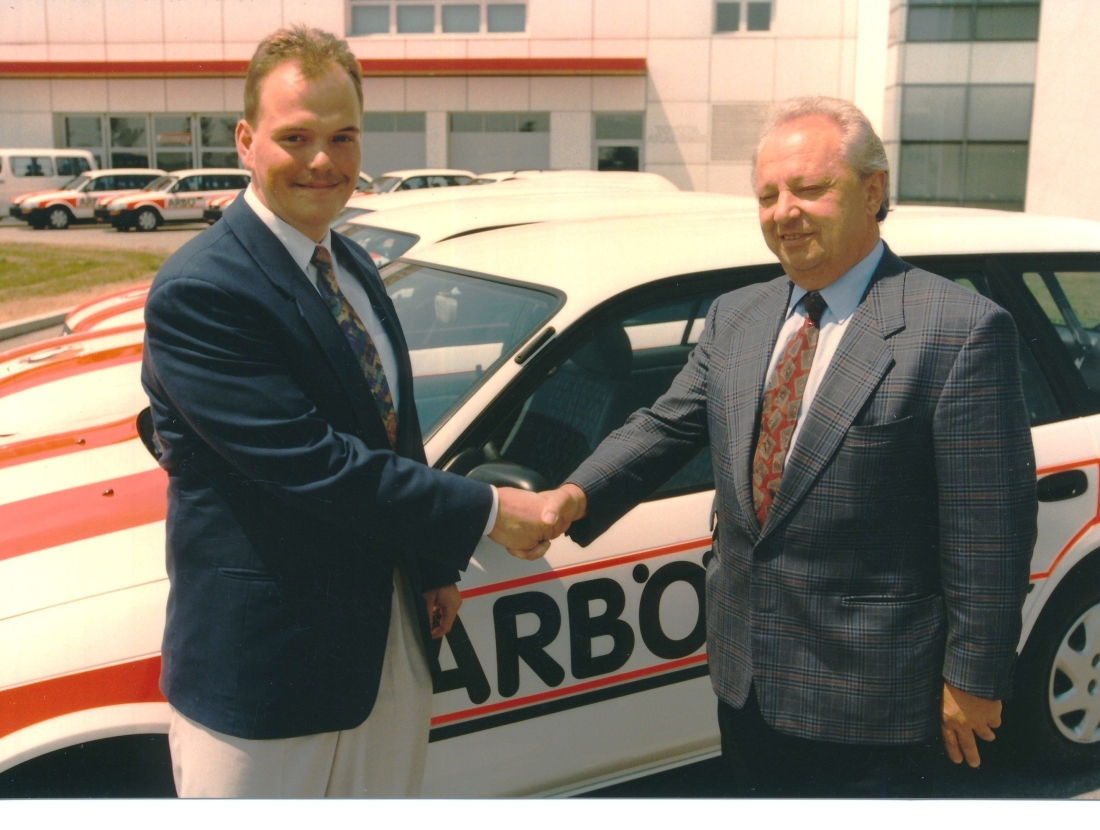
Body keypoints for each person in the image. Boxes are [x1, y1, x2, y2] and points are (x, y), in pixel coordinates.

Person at [541, 96, 1037, 797]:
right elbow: (667, 424)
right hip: (748, 682)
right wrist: (571, 496)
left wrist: (975, 678)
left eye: (809, 188)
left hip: (879, 703)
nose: (784, 211)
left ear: (873, 191)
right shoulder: (737, 316)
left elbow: (989, 532)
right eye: (768, 194)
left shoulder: (958, 330)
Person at [141, 25, 552, 798]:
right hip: (269, 672)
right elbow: (312, 463)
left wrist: (431, 565)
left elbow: (391, 430)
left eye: (343, 136)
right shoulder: (202, 290)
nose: (323, 161)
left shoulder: (349, 257)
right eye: (295, 137)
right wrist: (488, 511)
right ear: (245, 141)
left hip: (386, 641)